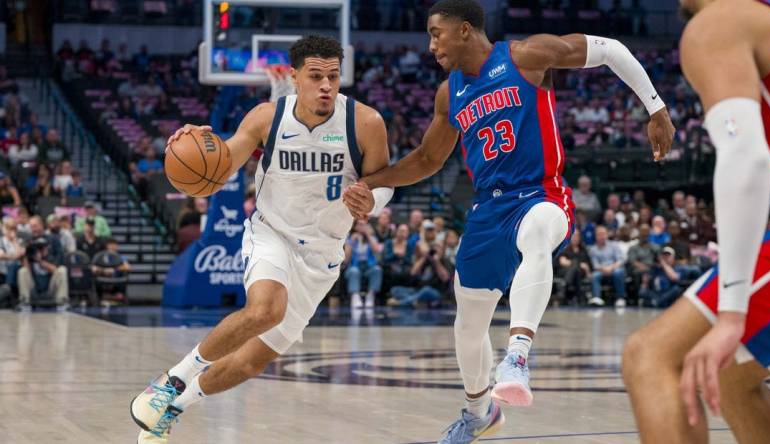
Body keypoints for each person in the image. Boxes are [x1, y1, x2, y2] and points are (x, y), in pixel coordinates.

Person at [346, 1, 674, 441]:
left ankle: (518, 353)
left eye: (436, 34)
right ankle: (479, 412)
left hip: (541, 192)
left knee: (538, 231)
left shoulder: (525, 55)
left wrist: (656, 108)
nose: (431, 46)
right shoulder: (450, 93)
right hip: (487, 210)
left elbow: (611, 50)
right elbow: (426, 159)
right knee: (467, 323)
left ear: (464, 30)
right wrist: (372, 181)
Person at [130, 35, 393, 443]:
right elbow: (222, 165)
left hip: (322, 256)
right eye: (316, 76)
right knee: (266, 309)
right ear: (294, 77)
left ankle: (171, 409)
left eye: (333, 76)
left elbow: (384, 182)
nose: (326, 85)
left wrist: (372, 200)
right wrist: (200, 147)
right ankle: (170, 382)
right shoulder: (267, 117)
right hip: (272, 233)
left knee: (250, 363)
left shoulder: (366, 123)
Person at [623, 1, 770, 443]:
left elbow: (745, 155)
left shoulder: (719, 23)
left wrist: (732, 316)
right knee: (730, 378)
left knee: (657, 358)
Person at [343, 220, 383, 308]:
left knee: (377, 270)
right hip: (354, 266)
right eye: (360, 225)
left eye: (365, 225)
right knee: (354, 271)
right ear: (355, 226)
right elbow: (346, 259)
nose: (363, 227)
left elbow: (377, 250)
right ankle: (355, 296)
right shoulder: (350, 239)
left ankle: (371, 295)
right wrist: (352, 242)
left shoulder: (371, 238)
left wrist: (368, 235)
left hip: (369, 267)